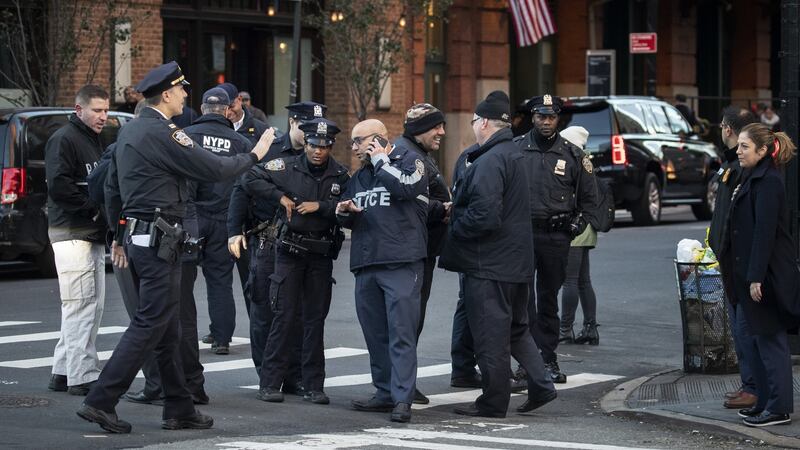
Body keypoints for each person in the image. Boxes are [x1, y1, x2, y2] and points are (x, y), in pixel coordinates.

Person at [76, 61, 275, 434]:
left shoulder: (133, 131)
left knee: (168, 327)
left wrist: (120, 235)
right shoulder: (163, 131)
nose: (186, 95)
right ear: (166, 94)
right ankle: (100, 401)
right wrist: (255, 154)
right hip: (159, 238)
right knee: (151, 322)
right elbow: (214, 169)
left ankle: (179, 408)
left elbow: (110, 188)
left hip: (142, 237)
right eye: (182, 89)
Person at [439, 90, 556, 418]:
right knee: (517, 329)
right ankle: (541, 385)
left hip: (489, 265)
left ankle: (493, 402)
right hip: (515, 263)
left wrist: (455, 226)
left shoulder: (490, 160)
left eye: (475, 120)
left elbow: (485, 216)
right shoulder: (511, 152)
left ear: (485, 123)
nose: (473, 125)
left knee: (491, 336)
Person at [242, 117, 349, 405]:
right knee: (283, 317)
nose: (318, 151)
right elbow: (249, 178)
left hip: (321, 255)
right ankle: (270, 383)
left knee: (314, 320)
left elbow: (349, 207)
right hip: (289, 253)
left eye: (324, 146)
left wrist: (322, 206)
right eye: (313, 145)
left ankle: (313, 385)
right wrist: (280, 198)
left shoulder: (340, 175)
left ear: (331, 147)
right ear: (307, 143)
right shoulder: (286, 167)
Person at [228, 101, 326, 394]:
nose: (313, 140)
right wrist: (233, 231)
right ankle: (267, 374)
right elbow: (241, 188)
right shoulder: (270, 149)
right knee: (264, 311)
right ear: (293, 123)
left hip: (303, 244)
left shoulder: (318, 158)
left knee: (298, 314)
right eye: (306, 130)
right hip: (267, 240)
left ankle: (293, 376)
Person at [337, 119, 427, 423]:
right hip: (366, 262)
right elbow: (354, 216)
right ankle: (385, 392)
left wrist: (381, 161)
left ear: (375, 141)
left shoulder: (409, 160)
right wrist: (343, 213)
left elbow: (406, 187)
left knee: (401, 334)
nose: (353, 148)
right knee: (375, 334)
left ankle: (403, 399)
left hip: (401, 262)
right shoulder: (359, 177)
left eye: (357, 142)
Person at [514, 94, 597, 384]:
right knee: (523, 301)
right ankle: (526, 362)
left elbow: (590, 200)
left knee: (548, 300)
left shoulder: (574, 155)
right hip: (522, 237)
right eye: (540, 116)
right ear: (532, 117)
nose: (546, 121)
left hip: (555, 237)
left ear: (558, 118)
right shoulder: (516, 149)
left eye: (551, 117)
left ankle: (547, 359)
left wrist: (576, 225)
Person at [728, 123, 799, 427]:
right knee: (753, 341)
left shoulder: (769, 181)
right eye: (739, 145)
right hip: (747, 274)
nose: (738, 151)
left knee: (770, 342)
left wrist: (756, 276)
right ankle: (765, 402)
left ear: (762, 149)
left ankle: (779, 407)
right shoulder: (751, 177)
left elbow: (764, 233)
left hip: (765, 276)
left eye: (745, 146)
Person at [45, 84, 110, 396]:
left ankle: (62, 370)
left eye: (106, 110)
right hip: (74, 233)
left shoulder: (90, 140)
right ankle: (82, 375)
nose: (103, 116)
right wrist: (93, 211)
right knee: (82, 306)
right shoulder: (65, 139)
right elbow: (59, 186)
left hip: (85, 233)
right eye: (96, 110)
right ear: (78, 110)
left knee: (85, 306)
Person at [184, 87, 255, 355]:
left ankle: (185, 335)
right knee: (220, 280)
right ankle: (222, 338)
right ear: (227, 111)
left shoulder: (188, 137)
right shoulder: (240, 143)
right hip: (225, 218)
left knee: (183, 280)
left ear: (202, 109)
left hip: (192, 217)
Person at [392, 103, 450, 404]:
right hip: (413, 253)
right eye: (435, 126)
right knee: (408, 322)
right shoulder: (408, 155)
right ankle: (400, 386)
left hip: (423, 250)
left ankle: (402, 384)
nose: (442, 131)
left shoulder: (418, 154)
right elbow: (405, 202)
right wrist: (443, 209)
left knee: (413, 321)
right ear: (418, 130)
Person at [707, 106, 759, 410]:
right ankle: (749, 384)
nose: (739, 150)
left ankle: (752, 386)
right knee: (740, 328)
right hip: (731, 259)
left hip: (737, 261)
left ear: (727, 128)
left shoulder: (741, 168)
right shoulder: (733, 166)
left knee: (743, 329)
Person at [557, 126, 600, 346]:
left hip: (575, 226)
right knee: (583, 280)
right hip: (586, 226)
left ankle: (565, 330)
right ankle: (590, 328)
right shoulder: (585, 160)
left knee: (570, 280)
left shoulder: (573, 160)